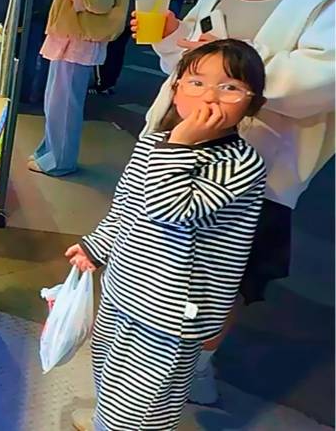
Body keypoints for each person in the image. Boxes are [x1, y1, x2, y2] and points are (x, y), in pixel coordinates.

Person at [137, 0, 335, 404]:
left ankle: (194, 366)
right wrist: (174, 39)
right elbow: (193, 56)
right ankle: (149, 369)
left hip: (257, 162)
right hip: (180, 140)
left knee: (221, 277)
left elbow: (322, 79)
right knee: (158, 260)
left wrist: (231, 65)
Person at [67, 39, 268, 431]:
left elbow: (170, 209)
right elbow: (127, 206)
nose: (210, 96)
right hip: (124, 288)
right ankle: (105, 418)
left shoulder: (240, 164)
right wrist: (97, 247)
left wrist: (181, 143)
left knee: (144, 405)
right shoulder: (156, 144)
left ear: (252, 104)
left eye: (229, 87)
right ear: (175, 91)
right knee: (108, 369)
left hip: (172, 314)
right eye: (196, 82)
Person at [29, 0, 130, 177]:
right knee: (55, 101)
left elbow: (91, 1)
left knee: (64, 104)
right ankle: (50, 153)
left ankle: (60, 161)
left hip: (80, 37)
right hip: (70, 34)